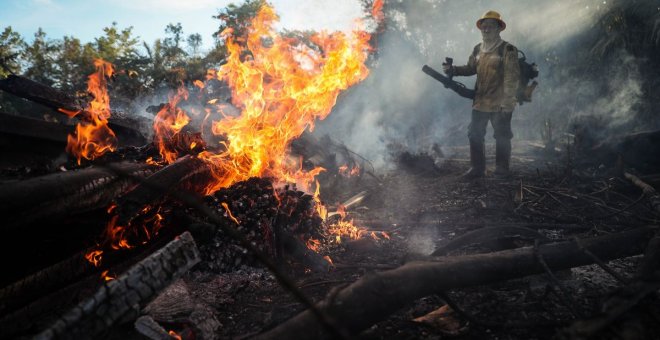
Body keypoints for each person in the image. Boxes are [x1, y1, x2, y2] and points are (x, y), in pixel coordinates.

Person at [443, 10, 520, 179]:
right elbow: (471, 68)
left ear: (499, 28)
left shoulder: (507, 49)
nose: (486, 30)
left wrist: (508, 102)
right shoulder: (478, 49)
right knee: (475, 133)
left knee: (502, 135)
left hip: (500, 102)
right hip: (480, 101)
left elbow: (511, 78)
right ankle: (477, 169)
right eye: (483, 27)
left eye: (490, 26)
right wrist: (453, 70)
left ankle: (502, 170)